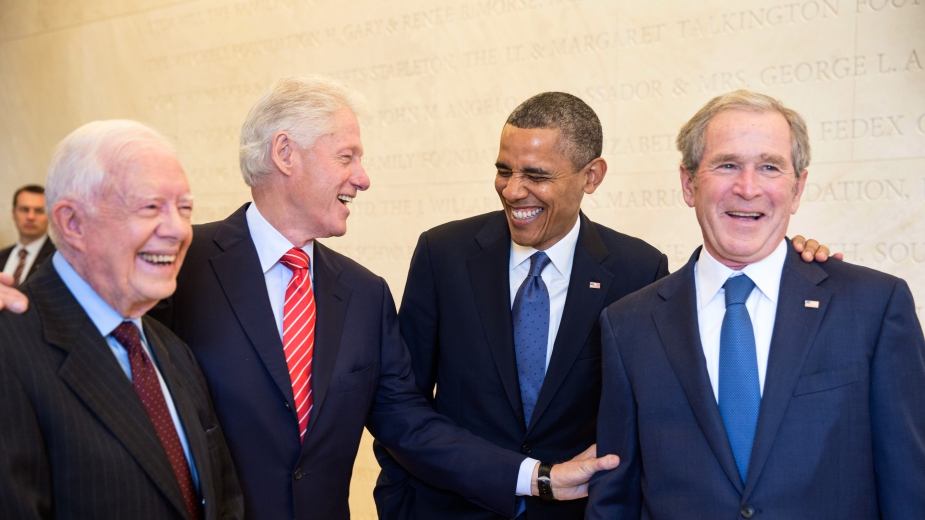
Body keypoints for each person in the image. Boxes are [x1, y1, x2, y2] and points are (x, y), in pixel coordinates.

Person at [144, 75, 615, 520]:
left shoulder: (364, 295)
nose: (363, 178)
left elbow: (410, 425)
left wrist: (540, 478)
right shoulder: (181, 265)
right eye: (346, 157)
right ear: (285, 153)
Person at [373, 92, 836, 520]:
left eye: (536, 175)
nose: (513, 190)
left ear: (591, 176)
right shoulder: (443, 255)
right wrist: (396, 506)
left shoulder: (640, 271)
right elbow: (400, 406)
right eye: (504, 171)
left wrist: (783, 258)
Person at [587, 90, 925, 518]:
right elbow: (615, 500)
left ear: (797, 189)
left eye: (769, 167)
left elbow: (910, 488)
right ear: (689, 184)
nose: (747, 188)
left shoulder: (873, 307)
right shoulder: (628, 324)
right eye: (727, 165)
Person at [0, 120, 243, 519]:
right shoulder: (9, 347)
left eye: (184, 209)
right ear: (72, 223)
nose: (179, 230)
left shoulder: (172, 349)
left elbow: (223, 498)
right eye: (150, 207)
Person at [0, 185, 55, 286]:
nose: (31, 217)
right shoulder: (2, 255)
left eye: (39, 211)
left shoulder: (57, 258)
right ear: (14, 213)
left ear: (49, 215)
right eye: (24, 209)